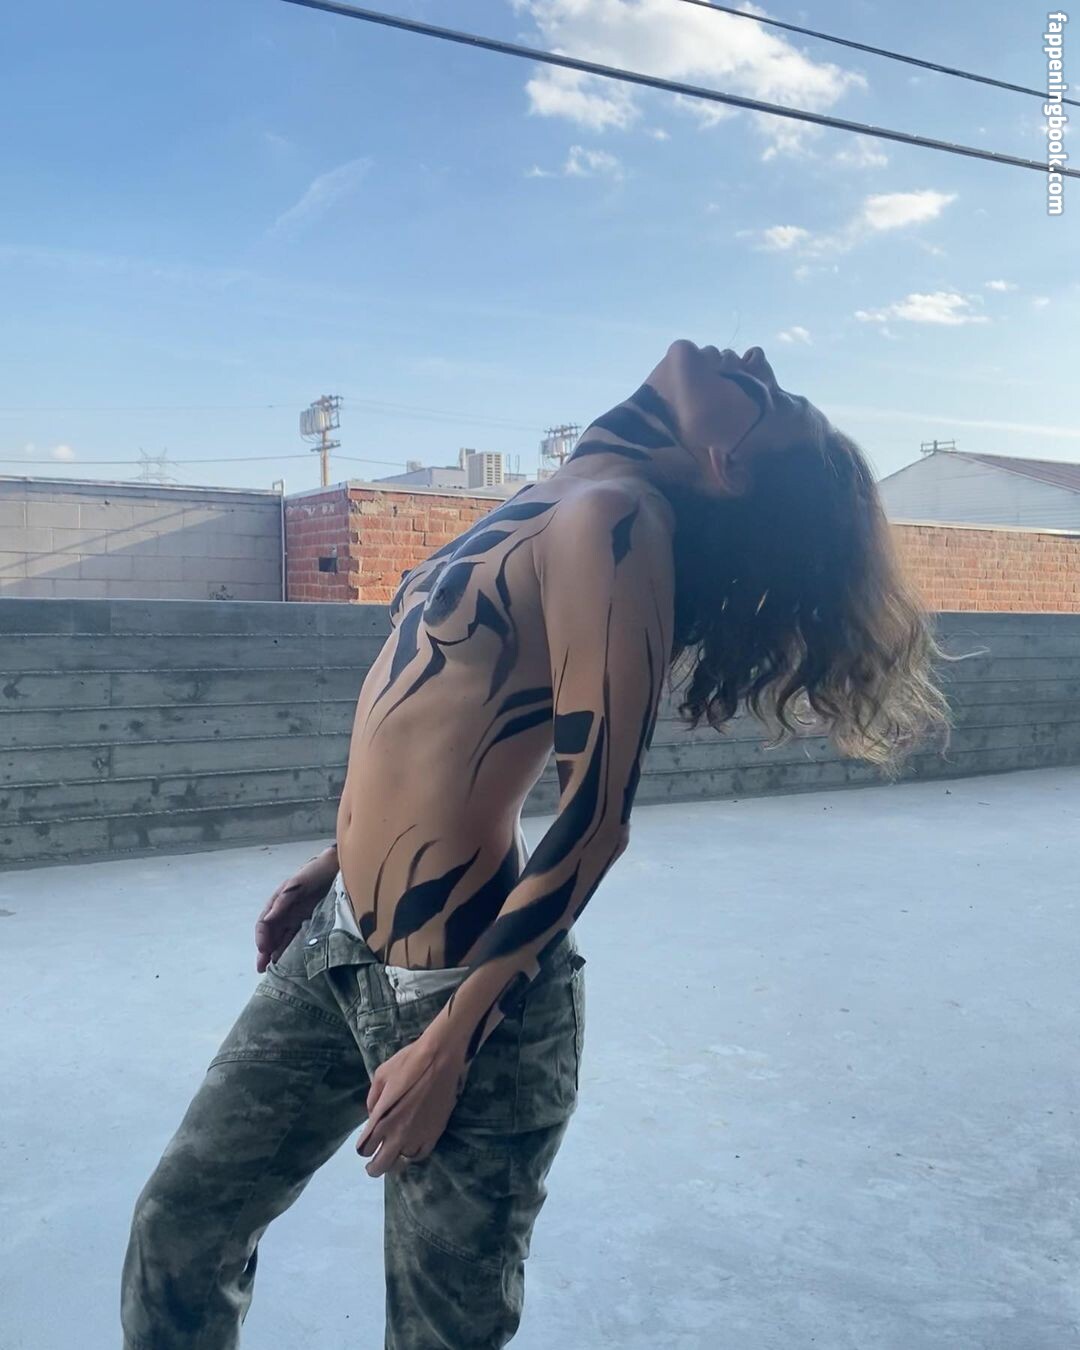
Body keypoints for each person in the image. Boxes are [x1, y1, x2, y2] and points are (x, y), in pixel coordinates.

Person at [121, 340, 948, 1349]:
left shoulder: (616, 524)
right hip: (337, 947)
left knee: (441, 1331)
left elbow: (596, 819)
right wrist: (334, 859)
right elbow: (426, 708)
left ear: (728, 462)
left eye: (768, 397)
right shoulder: (549, 495)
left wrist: (450, 1043)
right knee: (179, 1224)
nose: (755, 359)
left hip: (466, 986)